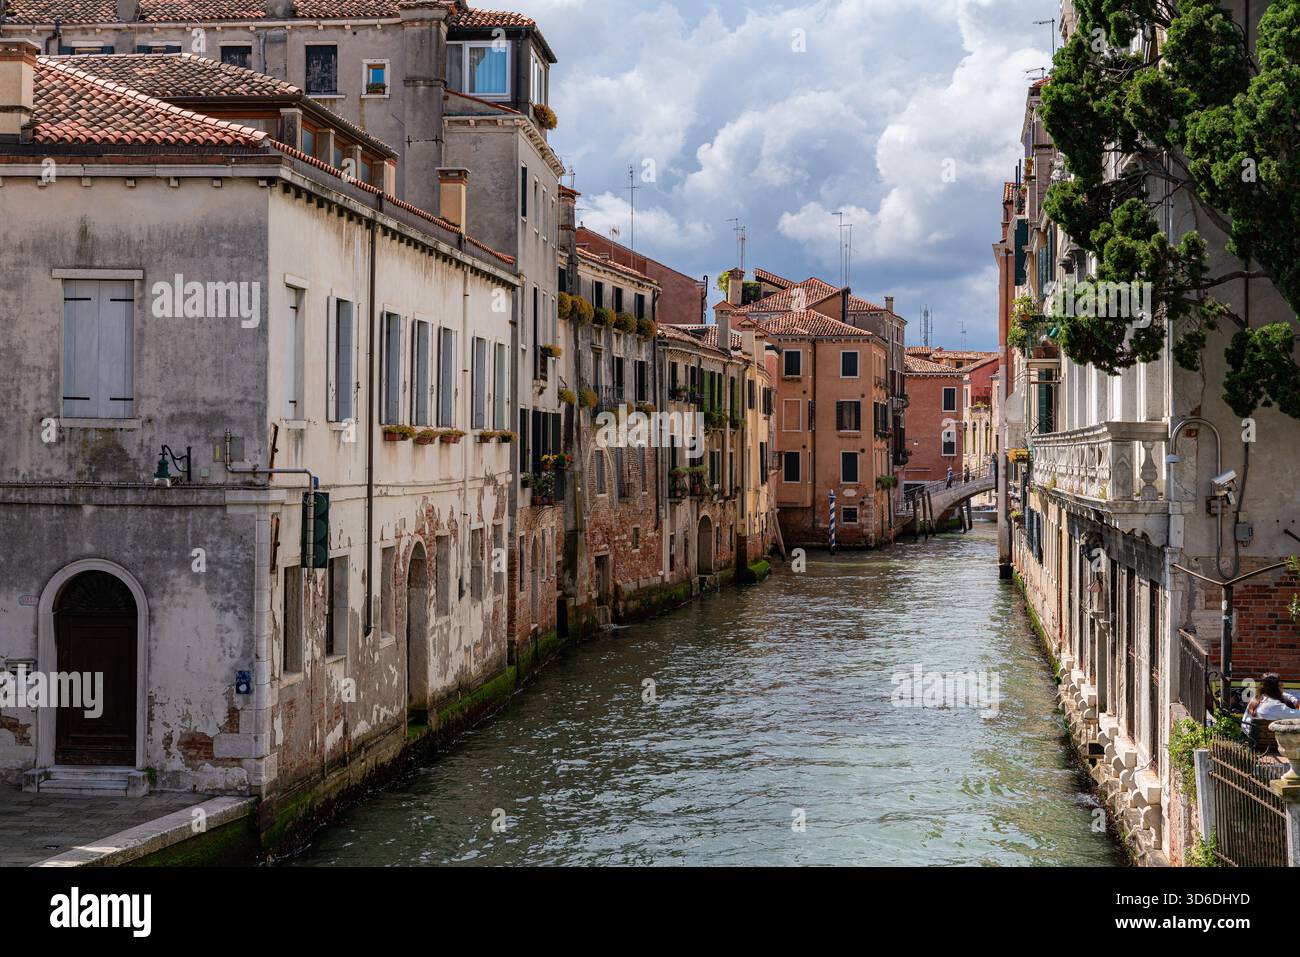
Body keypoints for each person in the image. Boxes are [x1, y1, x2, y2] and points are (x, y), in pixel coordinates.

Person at [1241, 674, 1299, 743]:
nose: (1283, 689)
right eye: (1281, 686)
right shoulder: (1276, 706)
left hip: (1254, 740)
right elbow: (1298, 715)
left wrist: (1292, 699)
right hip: (1272, 743)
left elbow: (1282, 694)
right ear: (1276, 689)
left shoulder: (1255, 699)